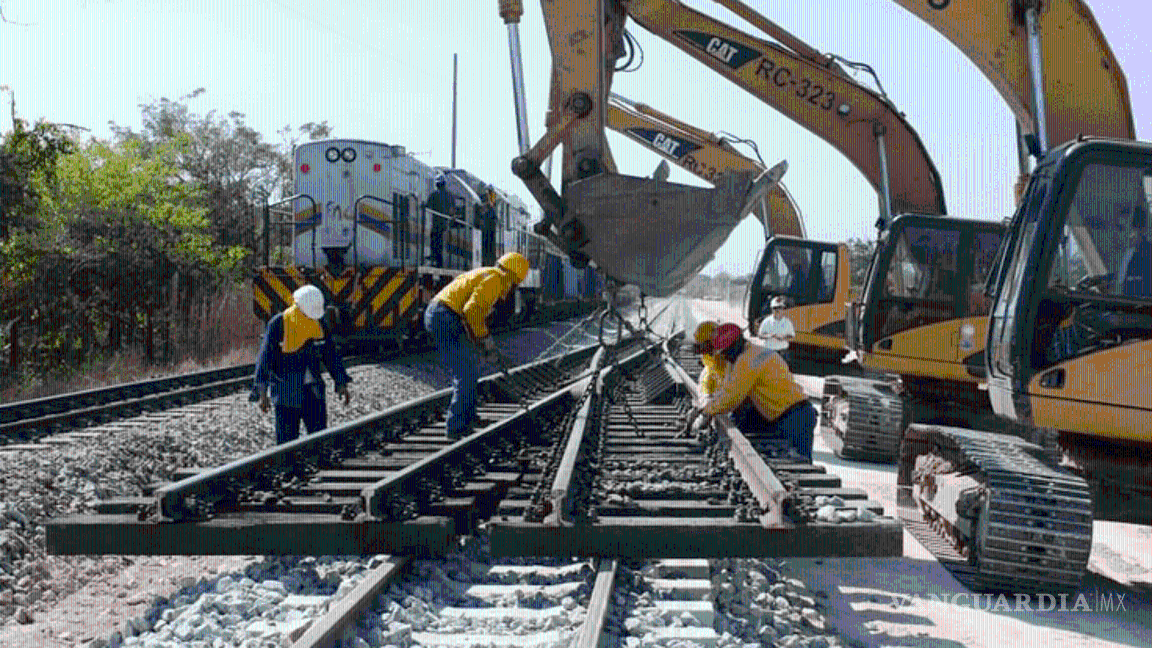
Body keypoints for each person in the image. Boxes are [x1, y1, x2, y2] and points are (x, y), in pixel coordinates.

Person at [424, 252, 531, 439]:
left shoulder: (488, 274)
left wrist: (480, 341)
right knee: (465, 372)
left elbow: (471, 313)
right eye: (516, 283)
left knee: (469, 367)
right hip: (445, 316)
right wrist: (486, 341)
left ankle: (468, 415)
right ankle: (456, 427)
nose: (514, 288)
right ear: (514, 277)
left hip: (443, 314)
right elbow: (472, 311)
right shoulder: (495, 280)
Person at [687, 323, 816, 461]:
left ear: (733, 347)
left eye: (725, 353)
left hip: (795, 416)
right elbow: (727, 389)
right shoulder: (752, 353)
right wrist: (704, 407)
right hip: (788, 414)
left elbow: (732, 397)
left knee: (799, 462)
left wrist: (706, 412)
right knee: (792, 461)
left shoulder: (747, 361)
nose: (724, 357)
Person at [251, 285, 352, 444]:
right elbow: (264, 358)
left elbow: (331, 355)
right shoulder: (279, 324)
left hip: (313, 392)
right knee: (287, 442)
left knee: (318, 437)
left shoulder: (319, 325)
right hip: (286, 392)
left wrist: (341, 382)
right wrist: (262, 391)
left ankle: (319, 463)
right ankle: (289, 468)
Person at [757, 296, 795, 366]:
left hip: (783, 353)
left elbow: (792, 336)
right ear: (771, 309)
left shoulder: (787, 322)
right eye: (775, 308)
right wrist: (771, 335)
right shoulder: (766, 321)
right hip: (768, 352)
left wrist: (783, 337)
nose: (777, 310)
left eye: (779, 308)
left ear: (783, 309)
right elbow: (760, 335)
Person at [425, 174, 452, 266]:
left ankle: (435, 258)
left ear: (437, 184)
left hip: (436, 222)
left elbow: (427, 205)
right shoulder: (450, 195)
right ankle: (438, 260)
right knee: (440, 242)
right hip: (445, 224)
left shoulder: (434, 194)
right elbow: (452, 210)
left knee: (434, 239)